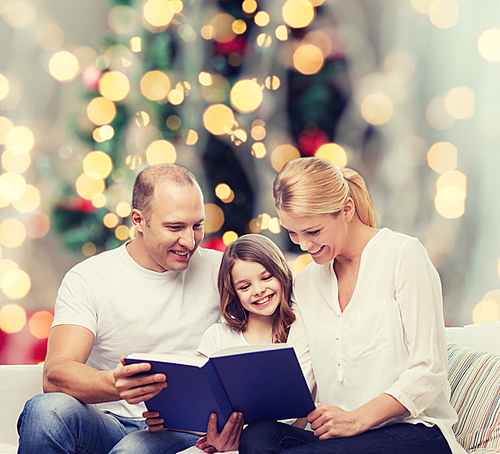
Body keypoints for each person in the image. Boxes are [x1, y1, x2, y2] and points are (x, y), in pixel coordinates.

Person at [238, 157, 466, 454]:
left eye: (313, 231)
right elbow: (300, 378)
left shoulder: (403, 256)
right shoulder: (307, 282)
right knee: (258, 436)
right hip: (342, 440)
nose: (304, 245)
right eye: (293, 233)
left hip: (415, 432)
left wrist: (356, 419)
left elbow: (428, 372)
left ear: (346, 210)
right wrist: (236, 424)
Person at [17, 163, 238, 454]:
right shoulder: (89, 277)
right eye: (175, 227)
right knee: (45, 411)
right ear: (139, 220)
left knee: (132, 451)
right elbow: (56, 374)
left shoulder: (222, 271)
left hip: (184, 429)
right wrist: (113, 383)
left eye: (197, 225)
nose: (189, 240)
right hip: (108, 421)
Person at [143, 234, 315, 453]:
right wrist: (169, 419)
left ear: (281, 273)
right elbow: (205, 408)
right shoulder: (218, 336)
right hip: (224, 443)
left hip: (281, 441)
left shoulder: (301, 331)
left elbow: (299, 416)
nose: (258, 290)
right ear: (233, 293)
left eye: (266, 277)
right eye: (244, 287)